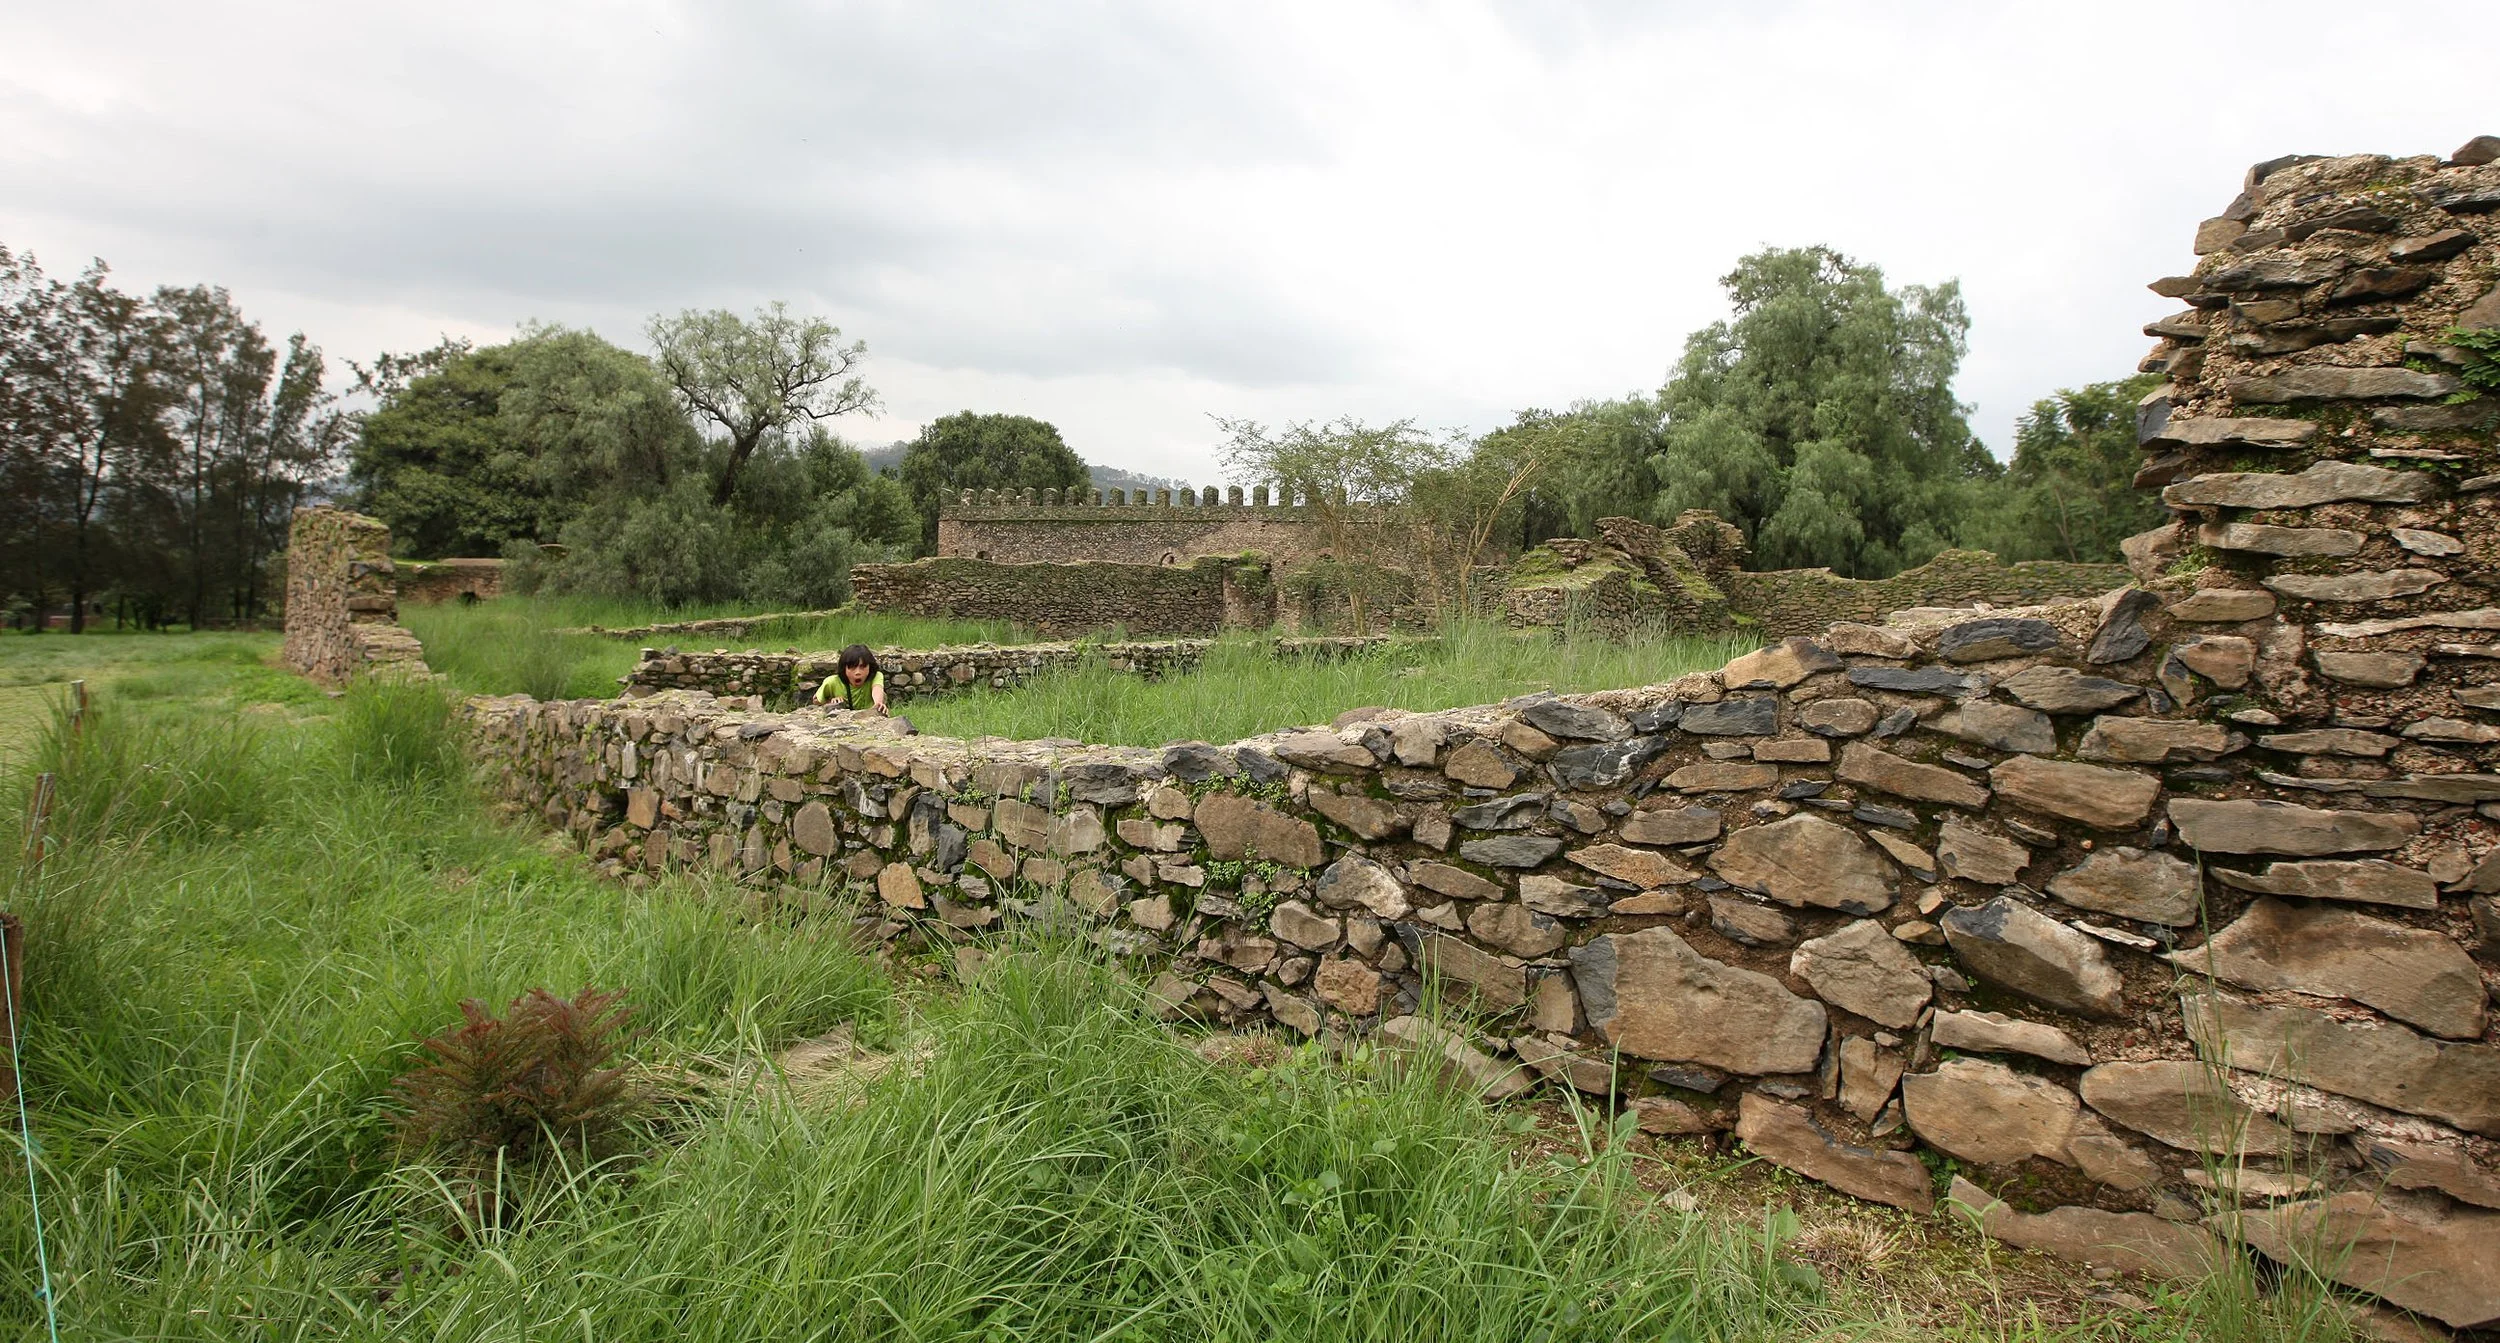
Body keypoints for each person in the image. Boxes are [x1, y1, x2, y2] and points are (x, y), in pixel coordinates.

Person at [815, 644, 888, 714]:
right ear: (844, 668)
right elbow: (816, 700)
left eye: (862, 667)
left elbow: (877, 688)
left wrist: (878, 703)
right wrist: (831, 702)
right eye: (852, 667)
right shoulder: (832, 682)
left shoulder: (876, 676)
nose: (858, 672)